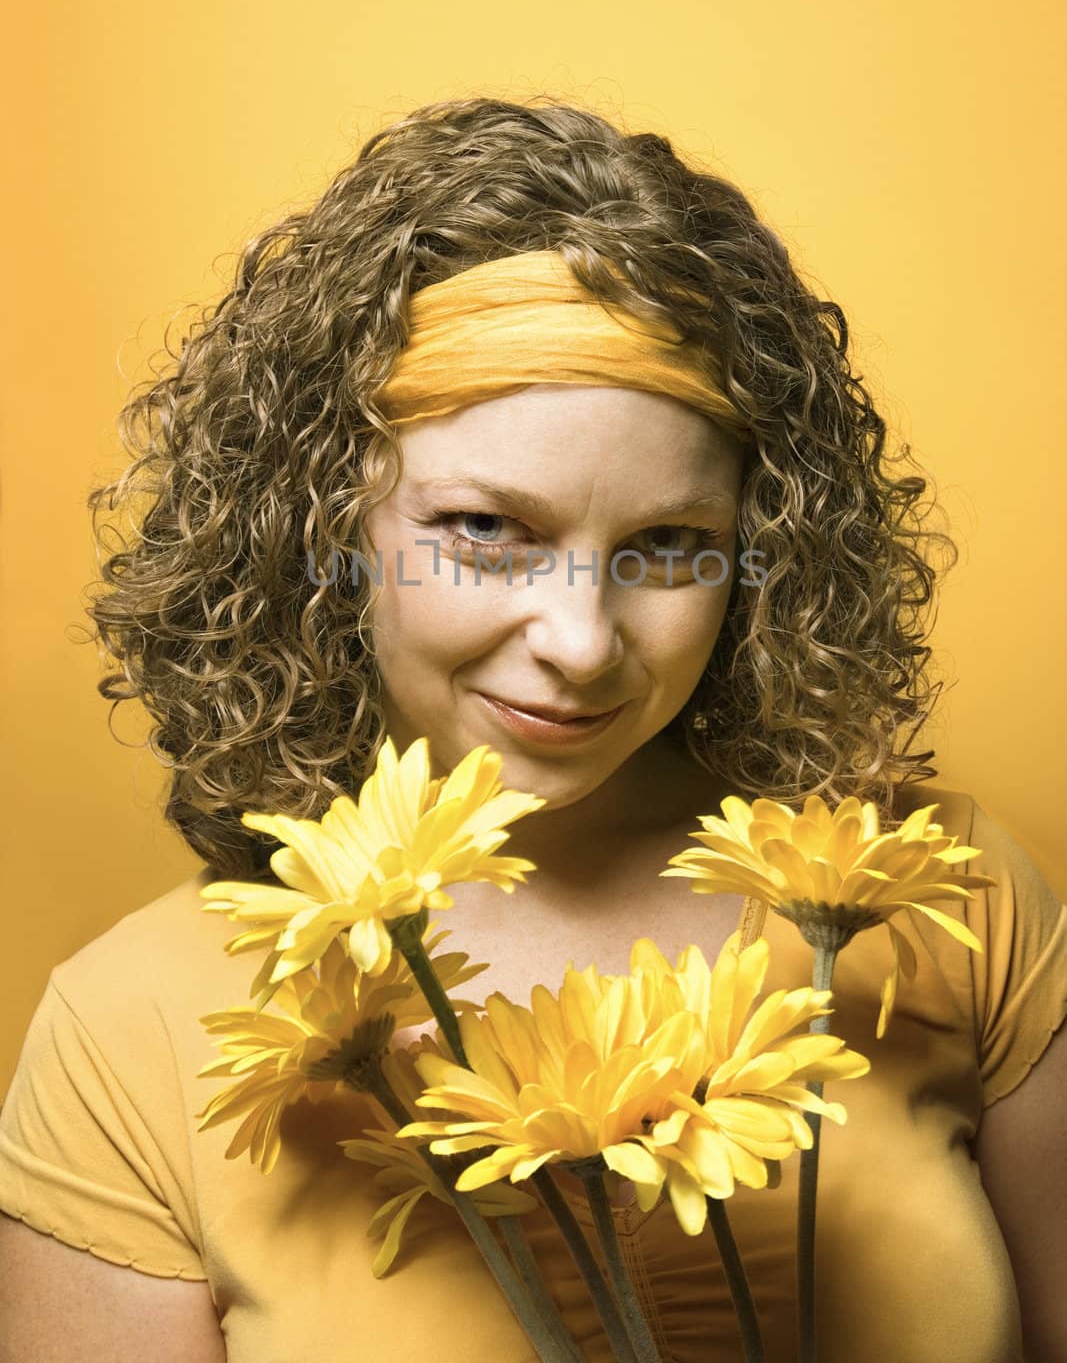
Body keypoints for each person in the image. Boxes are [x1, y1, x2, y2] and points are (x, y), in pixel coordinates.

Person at [1, 96, 1065, 1363]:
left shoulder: (939, 897)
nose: (580, 639)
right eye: (487, 530)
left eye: (667, 547)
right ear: (324, 527)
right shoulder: (134, 1031)